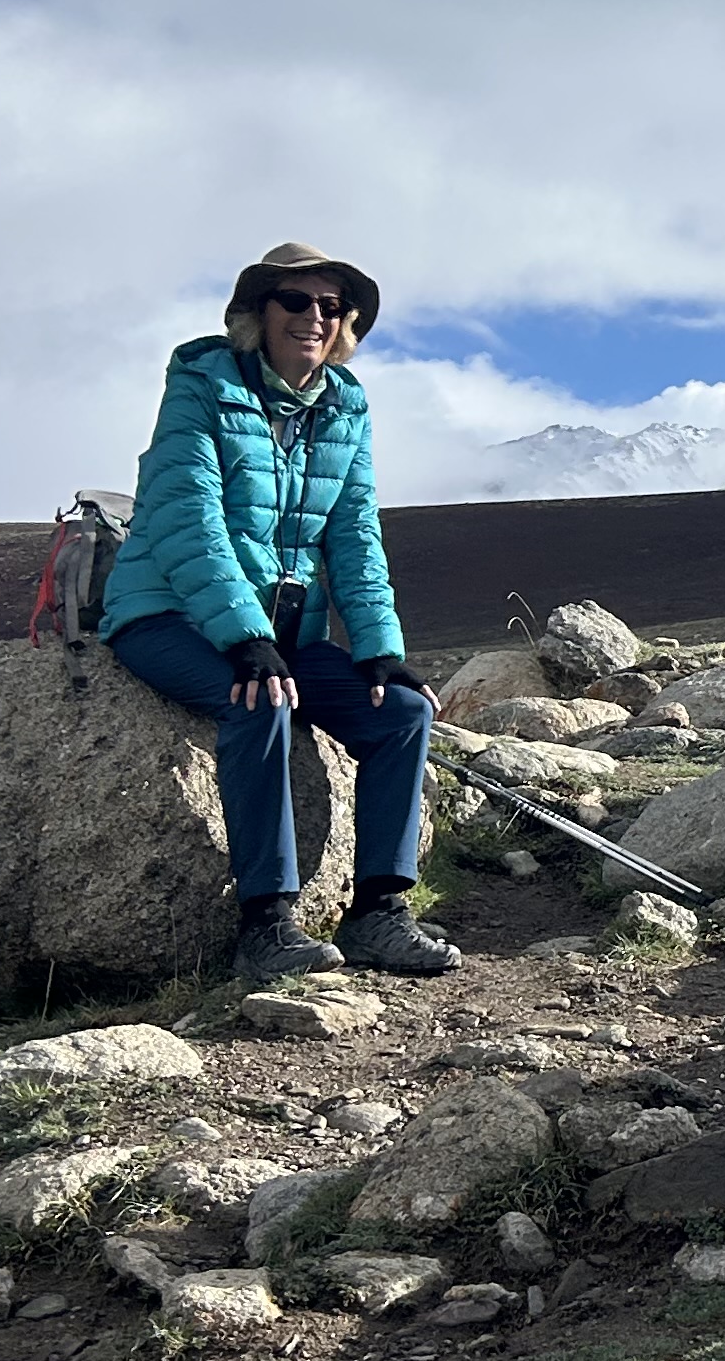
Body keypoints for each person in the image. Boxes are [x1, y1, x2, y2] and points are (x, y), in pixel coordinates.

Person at [99, 244, 459, 984]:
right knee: (256, 703)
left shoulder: (344, 407)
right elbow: (187, 516)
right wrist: (244, 637)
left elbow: (354, 534)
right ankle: (265, 926)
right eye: (296, 301)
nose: (315, 318)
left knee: (397, 713)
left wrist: (378, 651)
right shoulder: (201, 384)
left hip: (281, 633)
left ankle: (379, 915)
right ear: (257, 312)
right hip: (165, 614)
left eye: (332, 307)